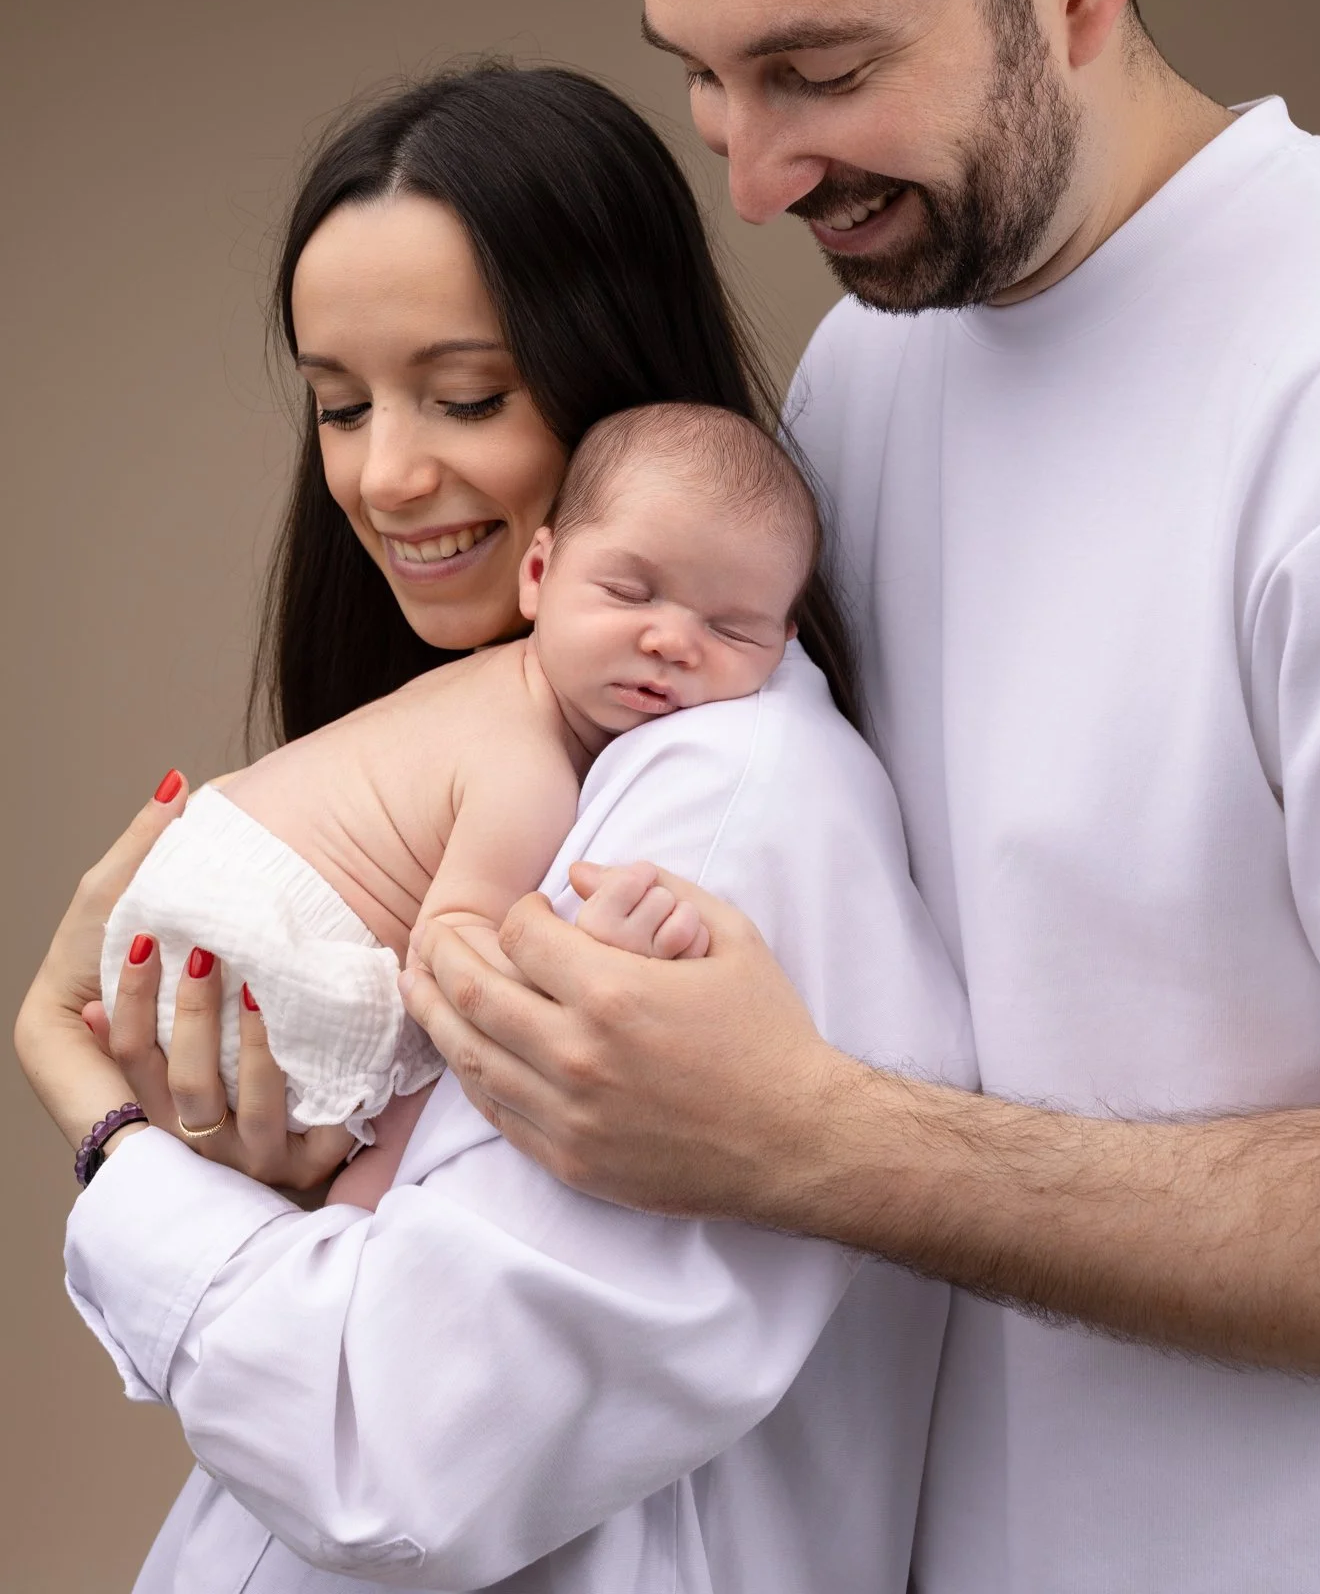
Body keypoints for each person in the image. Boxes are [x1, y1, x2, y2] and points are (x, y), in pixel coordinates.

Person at [396, 0, 1320, 1590]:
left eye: (818, 70)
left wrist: (807, 1138)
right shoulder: (865, 364)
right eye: (700, 70)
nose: (746, 174)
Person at [16, 62, 972, 1591]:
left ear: (617, 389)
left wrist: (99, 1114)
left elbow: (393, 1449)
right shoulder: (513, 741)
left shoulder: (709, 805)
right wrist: (274, 1174)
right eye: (338, 404)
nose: (385, 474)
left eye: (464, 396)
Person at [98, 403, 816, 1183]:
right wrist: (592, 946)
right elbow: (454, 970)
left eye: (732, 629)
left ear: (787, 646)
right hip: (255, 957)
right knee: (447, 1054)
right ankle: (362, 1221)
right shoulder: (526, 769)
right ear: (538, 575)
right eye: (630, 593)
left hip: (193, 921)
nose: (672, 642)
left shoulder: (493, 686)